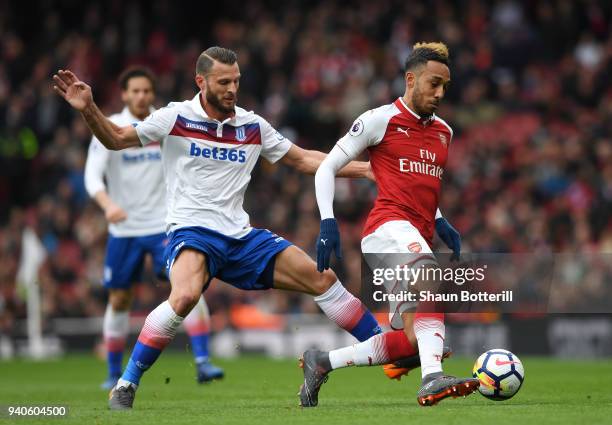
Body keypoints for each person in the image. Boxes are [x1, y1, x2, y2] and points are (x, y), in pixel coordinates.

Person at [52, 46, 383, 411]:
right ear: (201, 81)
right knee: (184, 296)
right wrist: (89, 110)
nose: (231, 89)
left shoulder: (252, 125)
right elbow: (115, 138)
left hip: (241, 237)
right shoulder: (175, 117)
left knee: (323, 279)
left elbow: (304, 159)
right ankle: (126, 383)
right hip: (192, 232)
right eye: (223, 82)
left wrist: (365, 169)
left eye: (236, 81)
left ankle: (386, 347)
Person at [302, 42, 479, 407]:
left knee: (413, 339)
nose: (440, 93)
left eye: (446, 86)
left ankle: (322, 362)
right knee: (430, 278)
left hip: (416, 234)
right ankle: (432, 378)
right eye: (433, 84)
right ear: (410, 79)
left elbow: (419, 184)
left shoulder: (444, 132)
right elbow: (327, 167)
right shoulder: (378, 120)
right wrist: (327, 221)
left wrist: (441, 221)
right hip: (386, 228)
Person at [83, 67, 224, 390]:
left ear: (152, 93)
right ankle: (111, 372)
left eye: (146, 90)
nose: (141, 96)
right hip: (125, 230)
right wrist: (108, 206)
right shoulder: (111, 127)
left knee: (189, 285)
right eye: (135, 91)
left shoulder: (166, 123)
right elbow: (92, 176)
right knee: (119, 300)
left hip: (164, 227)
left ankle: (203, 361)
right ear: (124, 94)